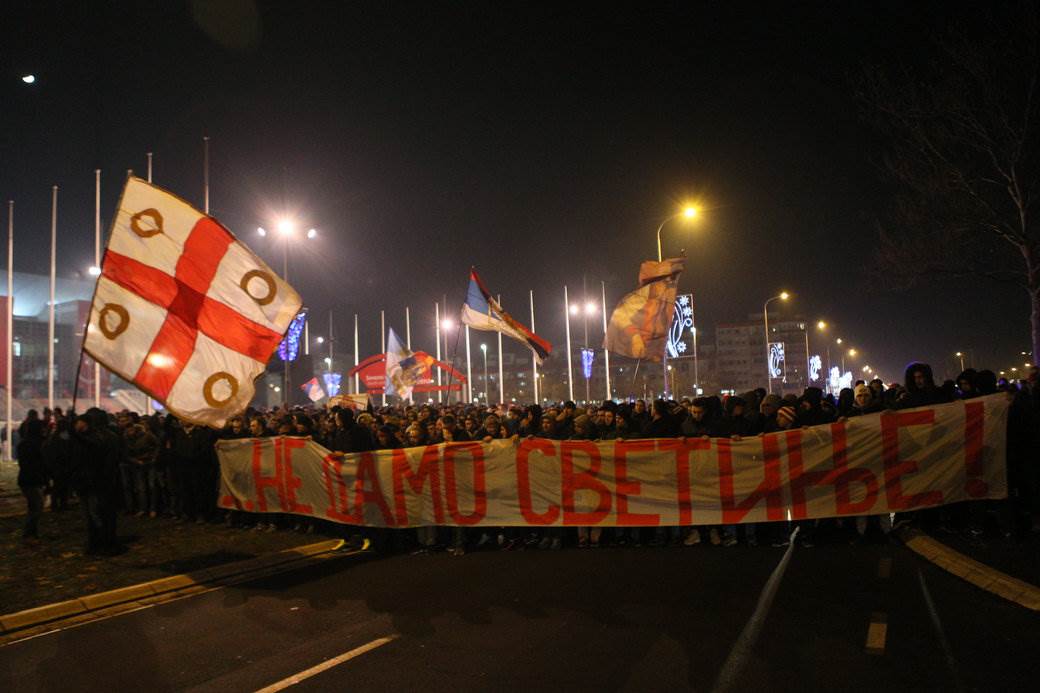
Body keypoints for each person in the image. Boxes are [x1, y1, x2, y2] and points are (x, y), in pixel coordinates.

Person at [17, 410, 47, 543]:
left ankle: (32, 533)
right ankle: (29, 534)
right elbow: (40, 462)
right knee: (36, 507)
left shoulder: (24, 444)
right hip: (33, 479)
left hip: (26, 478)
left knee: (33, 507)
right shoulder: (37, 444)